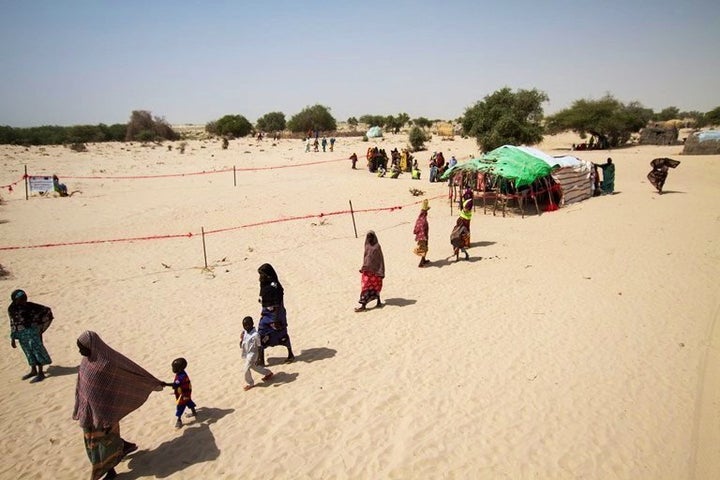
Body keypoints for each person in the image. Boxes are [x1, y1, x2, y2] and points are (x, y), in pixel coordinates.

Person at [73, 331, 164, 480]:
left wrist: (152, 382)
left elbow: (129, 372)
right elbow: (81, 386)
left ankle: (110, 471)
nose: (80, 351)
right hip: (89, 412)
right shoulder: (86, 361)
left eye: (81, 347)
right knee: (97, 443)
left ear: (92, 346)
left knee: (102, 446)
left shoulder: (107, 362)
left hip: (104, 414)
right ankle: (123, 446)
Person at [8, 289, 53, 383]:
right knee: (28, 352)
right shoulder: (11, 309)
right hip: (22, 335)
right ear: (15, 300)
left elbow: (46, 310)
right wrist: (13, 337)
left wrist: (39, 325)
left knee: (37, 351)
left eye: (25, 298)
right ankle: (33, 370)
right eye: (21, 299)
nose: (24, 300)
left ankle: (41, 373)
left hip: (33, 333)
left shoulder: (30, 306)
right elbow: (12, 323)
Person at [257, 263, 294, 365]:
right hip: (266, 315)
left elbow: (277, 304)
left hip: (276, 316)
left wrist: (276, 320)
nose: (260, 278)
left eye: (262, 275)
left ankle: (290, 354)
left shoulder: (274, 287)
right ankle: (261, 359)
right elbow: (263, 302)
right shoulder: (265, 286)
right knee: (261, 334)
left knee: (282, 334)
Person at [161, 358, 197, 429]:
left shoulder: (181, 377)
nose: (173, 369)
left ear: (179, 368)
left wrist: (165, 384)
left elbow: (175, 385)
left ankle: (179, 420)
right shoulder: (182, 372)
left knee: (181, 405)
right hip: (187, 391)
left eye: (174, 367)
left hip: (183, 394)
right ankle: (194, 412)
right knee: (188, 401)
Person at [240, 316, 274, 391]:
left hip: (253, 354)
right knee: (253, 366)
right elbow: (243, 341)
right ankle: (268, 373)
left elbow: (259, 346)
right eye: (244, 325)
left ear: (252, 324)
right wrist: (241, 340)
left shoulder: (256, 335)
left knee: (246, 368)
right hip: (247, 353)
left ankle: (250, 383)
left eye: (247, 325)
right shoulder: (245, 332)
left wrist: (259, 358)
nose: (245, 327)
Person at [355, 231, 385, 312]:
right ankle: (363, 304)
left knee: (376, 288)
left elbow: (380, 260)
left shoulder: (377, 246)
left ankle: (377, 302)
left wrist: (381, 271)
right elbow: (366, 258)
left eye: (371, 237)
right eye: (369, 237)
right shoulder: (367, 245)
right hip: (367, 271)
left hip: (376, 272)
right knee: (365, 287)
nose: (370, 238)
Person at [413, 199, 431, 267]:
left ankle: (424, 260)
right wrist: (424, 237)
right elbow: (423, 229)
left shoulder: (419, 219)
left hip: (421, 237)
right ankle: (421, 263)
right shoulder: (423, 221)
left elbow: (416, 228)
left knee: (424, 248)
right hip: (423, 237)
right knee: (423, 249)